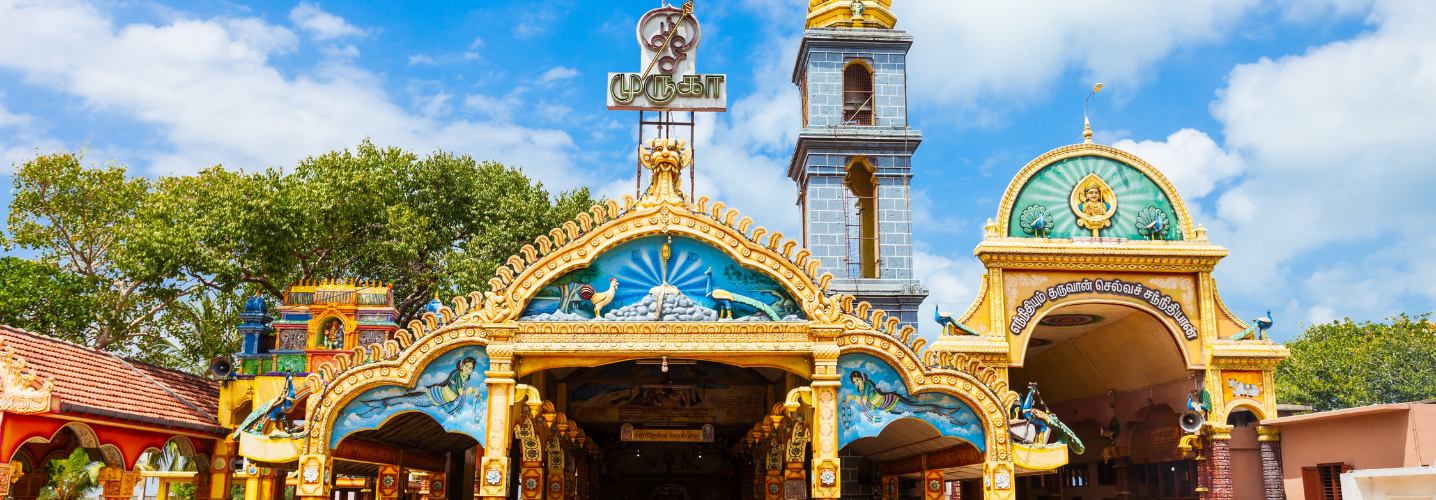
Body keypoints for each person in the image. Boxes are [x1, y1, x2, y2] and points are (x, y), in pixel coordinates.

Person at [357, 357, 480, 417]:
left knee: (410, 400)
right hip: (435, 397)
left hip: (441, 400)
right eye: (466, 366)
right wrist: (474, 390)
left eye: (470, 368)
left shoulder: (466, 378)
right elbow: (460, 392)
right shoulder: (457, 375)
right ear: (462, 365)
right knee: (411, 401)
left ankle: (385, 402)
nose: (467, 369)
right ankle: (385, 402)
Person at [844, 371, 968, 426]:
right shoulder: (861, 389)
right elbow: (865, 403)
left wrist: (851, 397)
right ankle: (938, 410)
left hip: (890, 403)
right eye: (854, 382)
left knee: (916, 409)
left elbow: (864, 402)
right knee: (916, 409)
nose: (857, 383)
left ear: (861, 378)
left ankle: (939, 410)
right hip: (886, 407)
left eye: (857, 380)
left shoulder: (866, 385)